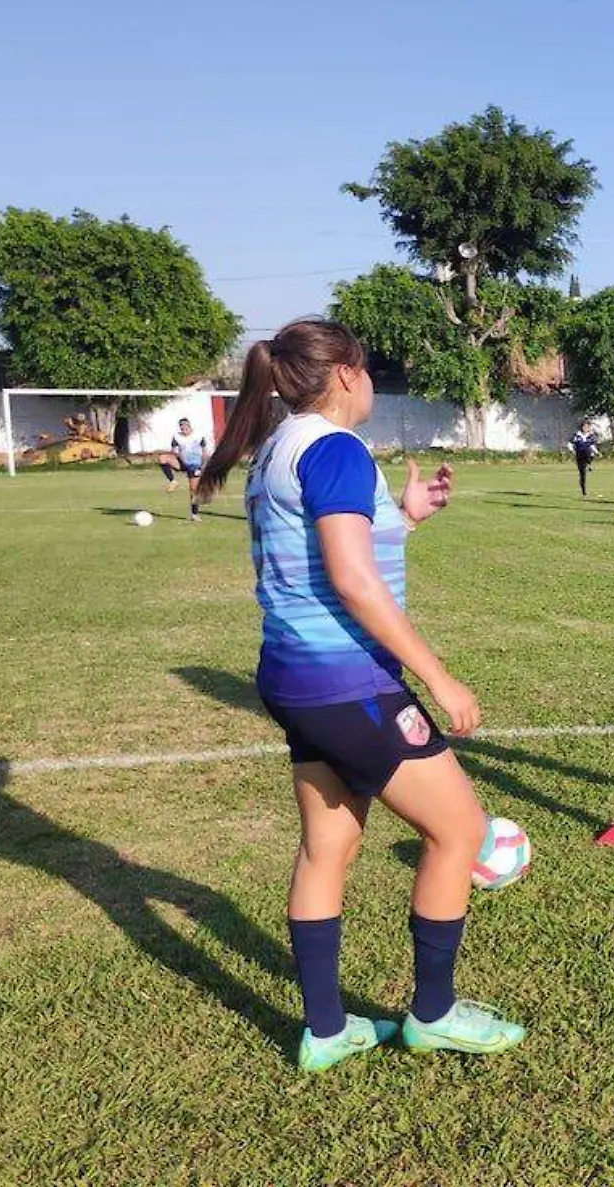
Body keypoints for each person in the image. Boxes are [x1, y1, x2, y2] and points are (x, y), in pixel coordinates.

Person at [195, 318, 523, 1071]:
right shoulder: (336, 449)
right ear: (344, 374)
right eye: (369, 368)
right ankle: (433, 1014)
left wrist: (403, 516)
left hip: (293, 677)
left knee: (329, 844)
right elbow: (350, 578)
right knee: (459, 830)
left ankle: (326, 1028)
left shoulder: (280, 446)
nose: (373, 380)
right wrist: (438, 676)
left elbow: (325, 553)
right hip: (347, 683)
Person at [166, 418, 210, 522]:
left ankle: (194, 514)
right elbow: (174, 451)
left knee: (194, 490)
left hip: (195, 465)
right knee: (162, 459)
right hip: (182, 462)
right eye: (181, 425)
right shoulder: (176, 437)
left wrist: (202, 466)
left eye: (185, 425)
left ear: (190, 426)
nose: (183, 427)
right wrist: (179, 457)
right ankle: (173, 481)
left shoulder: (198, 436)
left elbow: (204, 452)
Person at [570, 420, 600, 498]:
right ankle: (584, 491)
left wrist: (597, 452)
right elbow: (569, 444)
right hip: (579, 455)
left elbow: (592, 446)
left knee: (588, 451)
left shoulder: (591, 436)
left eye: (588, 426)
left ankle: (589, 464)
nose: (586, 428)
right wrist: (572, 451)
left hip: (587, 454)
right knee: (582, 474)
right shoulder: (577, 435)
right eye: (584, 426)